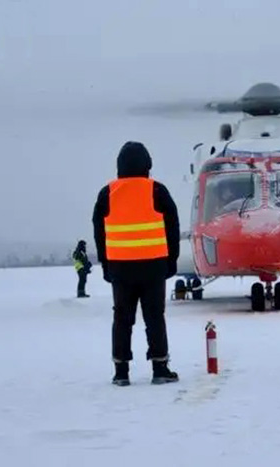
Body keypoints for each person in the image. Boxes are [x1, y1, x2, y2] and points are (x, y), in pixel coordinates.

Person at [92, 141, 180, 386]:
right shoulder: (157, 191)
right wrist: (171, 260)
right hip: (153, 266)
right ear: (147, 165)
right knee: (154, 317)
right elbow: (172, 227)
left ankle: (121, 372)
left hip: (120, 267)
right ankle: (160, 368)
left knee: (122, 318)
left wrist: (105, 264)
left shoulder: (107, 193)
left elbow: (99, 232)